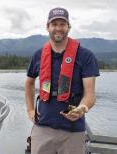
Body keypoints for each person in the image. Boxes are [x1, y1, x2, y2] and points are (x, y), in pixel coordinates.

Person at [25, 7, 100, 154]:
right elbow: (29, 82)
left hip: (73, 131)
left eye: (62, 24)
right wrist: (30, 109)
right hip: (42, 128)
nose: (58, 28)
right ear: (48, 27)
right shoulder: (38, 55)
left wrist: (82, 108)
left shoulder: (85, 56)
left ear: (68, 27)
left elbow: (90, 95)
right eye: (54, 24)